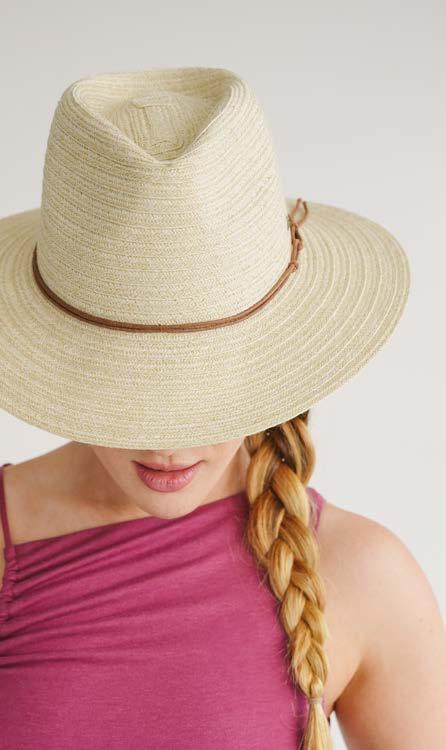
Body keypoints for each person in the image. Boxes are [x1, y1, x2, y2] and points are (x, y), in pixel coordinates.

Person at [0, 66, 444, 750]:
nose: (169, 444)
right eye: (132, 380)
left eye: (203, 381)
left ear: (268, 355)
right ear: (66, 354)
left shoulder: (367, 578)